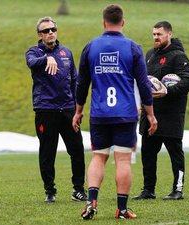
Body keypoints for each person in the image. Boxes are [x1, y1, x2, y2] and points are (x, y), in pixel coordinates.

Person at [72, 4, 157, 220]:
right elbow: (144, 85)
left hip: (99, 114)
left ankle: (91, 201)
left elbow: (82, 84)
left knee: (98, 157)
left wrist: (78, 111)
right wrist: (150, 114)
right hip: (125, 114)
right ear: (123, 21)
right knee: (123, 160)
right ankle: (121, 209)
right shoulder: (133, 48)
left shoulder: (91, 47)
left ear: (103, 22)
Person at [25, 16, 87, 203]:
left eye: (53, 29)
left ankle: (78, 190)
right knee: (47, 152)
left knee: (77, 150)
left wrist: (78, 108)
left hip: (68, 109)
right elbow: (31, 63)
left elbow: (75, 81)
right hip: (46, 110)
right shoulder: (33, 52)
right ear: (39, 34)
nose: (50, 32)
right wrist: (47, 58)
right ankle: (50, 191)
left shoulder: (66, 53)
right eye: (46, 30)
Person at [133, 21, 189, 201]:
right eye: (154, 34)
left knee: (175, 154)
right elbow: (142, 82)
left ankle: (178, 190)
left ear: (169, 34)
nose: (156, 37)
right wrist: (139, 102)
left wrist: (168, 91)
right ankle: (148, 190)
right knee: (147, 154)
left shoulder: (178, 56)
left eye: (159, 34)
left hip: (171, 115)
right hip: (150, 114)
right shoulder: (149, 55)